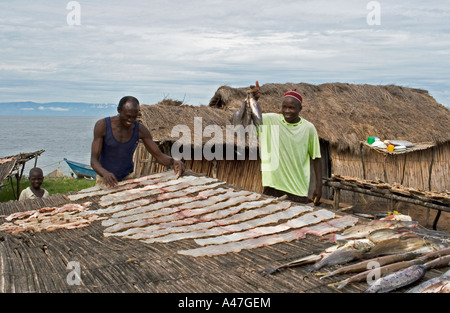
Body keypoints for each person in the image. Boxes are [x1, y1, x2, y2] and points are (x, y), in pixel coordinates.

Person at [247, 85, 322, 204]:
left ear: (300, 108)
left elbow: (316, 158)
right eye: (284, 107)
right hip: (273, 187)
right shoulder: (270, 120)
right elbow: (250, 116)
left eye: (291, 108)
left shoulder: (309, 128)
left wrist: (319, 186)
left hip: (297, 189)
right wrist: (253, 99)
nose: (287, 111)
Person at [91, 96, 185, 187]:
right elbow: (94, 160)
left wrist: (173, 161)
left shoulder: (140, 129)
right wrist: (105, 173)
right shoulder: (102, 126)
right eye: (128, 116)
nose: (131, 120)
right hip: (105, 179)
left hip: (128, 178)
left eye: (134, 117)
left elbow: (159, 156)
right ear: (119, 110)